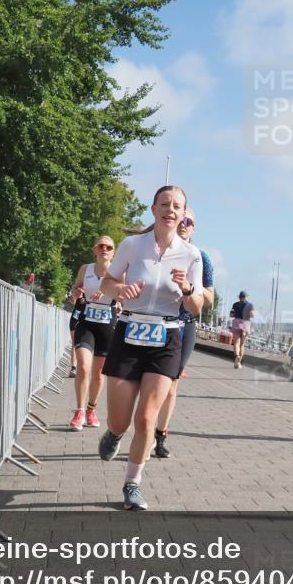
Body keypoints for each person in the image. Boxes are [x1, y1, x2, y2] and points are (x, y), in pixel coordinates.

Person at [97, 185, 203, 511]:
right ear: (153, 208)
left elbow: (197, 307)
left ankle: (132, 484)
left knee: (146, 419)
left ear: (183, 213)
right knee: (121, 421)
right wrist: (122, 290)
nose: (171, 210)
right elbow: (106, 283)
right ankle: (113, 435)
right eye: (165, 204)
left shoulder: (191, 254)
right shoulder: (132, 245)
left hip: (167, 338)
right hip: (129, 332)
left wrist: (187, 289)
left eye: (177, 206)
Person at [153, 208, 215, 458]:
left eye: (189, 221)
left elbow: (209, 296)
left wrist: (190, 289)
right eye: (181, 219)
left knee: (171, 384)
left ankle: (160, 436)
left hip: (183, 323)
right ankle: (143, 429)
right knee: (150, 381)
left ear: (193, 228)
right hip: (155, 321)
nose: (184, 224)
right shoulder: (157, 249)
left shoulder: (201, 257)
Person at [66, 236, 119, 431]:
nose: (104, 249)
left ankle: (91, 409)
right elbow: (74, 289)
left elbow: (122, 294)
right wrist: (76, 293)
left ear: (113, 252)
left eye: (108, 247)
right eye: (100, 246)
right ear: (95, 250)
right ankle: (79, 410)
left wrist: (106, 293)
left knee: (98, 373)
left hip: (107, 325)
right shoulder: (85, 269)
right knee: (84, 367)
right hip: (86, 323)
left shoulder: (118, 271)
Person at [229, 291, 254, 368]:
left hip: (236, 323)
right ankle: (239, 362)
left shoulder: (235, 304)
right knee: (242, 345)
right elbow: (252, 315)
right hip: (245, 324)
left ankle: (237, 356)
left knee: (236, 343)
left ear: (239, 297)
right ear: (246, 297)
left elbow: (231, 315)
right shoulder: (249, 305)